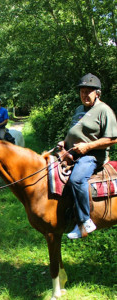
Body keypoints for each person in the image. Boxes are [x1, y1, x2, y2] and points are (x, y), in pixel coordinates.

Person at [61, 73, 117, 239]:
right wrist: (63, 144)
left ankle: (85, 221)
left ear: (97, 93)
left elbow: (113, 138)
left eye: (88, 92)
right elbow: (74, 132)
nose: (84, 95)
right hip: (73, 153)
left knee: (77, 179)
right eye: (82, 91)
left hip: (93, 156)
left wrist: (88, 146)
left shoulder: (103, 110)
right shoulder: (79, 110)